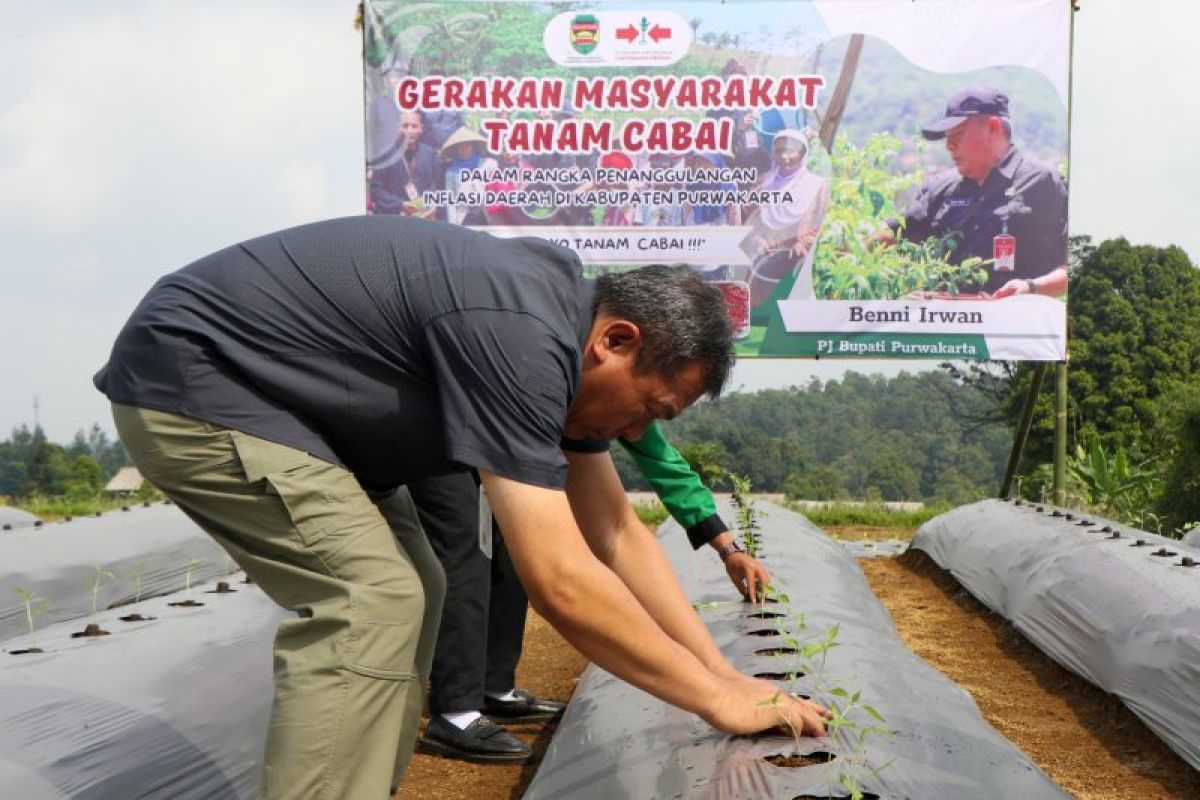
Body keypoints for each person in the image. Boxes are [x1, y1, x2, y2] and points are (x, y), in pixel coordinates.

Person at [93, 216, 828, 800]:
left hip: (293, 409)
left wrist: (727, 679)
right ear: (617, 340)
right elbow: (561, 580)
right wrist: (711, 700)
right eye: (650, 408)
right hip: (202, 380)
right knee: (369, 597)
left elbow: (615, 533)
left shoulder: (559, 338)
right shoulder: (521, 336)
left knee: (422, 585)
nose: (640, 433)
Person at [412, 422, 771, 764]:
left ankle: (495, 687)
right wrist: (716, 693)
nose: (633, 429)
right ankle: (456, 709)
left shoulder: (613, 398)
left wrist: (728, 546)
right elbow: (565, 584)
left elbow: (659, 460)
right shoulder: (572, 376)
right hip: (442, 434)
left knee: (512, 552)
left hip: (497, 443)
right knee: (466, 547)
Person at [881, 85, 1068, 298]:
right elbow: (886, 237)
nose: (949, 146)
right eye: (947, 138)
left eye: (957, 136)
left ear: (993, 128)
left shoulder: (1043, 183)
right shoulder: (940, 188)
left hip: (1015, 327)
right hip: (949, 327)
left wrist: (1032, 286)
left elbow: (1075, 267)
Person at [742, 129, 831, 310]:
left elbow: (823, 221)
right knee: (755, 312)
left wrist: (804, 243)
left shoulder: (816, 185)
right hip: (762, 260)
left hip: (797, 261)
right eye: (779, 150)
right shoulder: (762, 183)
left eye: (791, 151)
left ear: (803, 153)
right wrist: (757, 239)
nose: (784, 156)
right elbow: (748, 218)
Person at [369, 110, 439, 217]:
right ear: (398, 128)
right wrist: (400, 205)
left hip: (423, 219)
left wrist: (427, 200)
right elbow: (375, 190)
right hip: (393, 220)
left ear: (421, 129)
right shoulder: (385, 155)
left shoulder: (430, 154)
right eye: (405, 126)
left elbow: (437, 184)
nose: (409, 130)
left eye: (414, 126)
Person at [440, 126, 497, 226]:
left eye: (467, 145)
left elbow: (497, 187)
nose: (464, 150)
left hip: (485, 215)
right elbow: (451, 201)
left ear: (473, 146)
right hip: (463, 217)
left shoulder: (488, 164)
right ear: (456, 149)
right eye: (460, 147)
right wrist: (453, 225)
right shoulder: (451, 172)